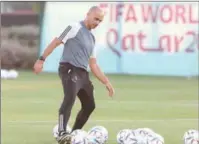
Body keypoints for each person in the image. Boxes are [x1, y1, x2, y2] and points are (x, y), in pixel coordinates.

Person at [33, 6, 115, 144]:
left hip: (83, 73)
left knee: (89, 105)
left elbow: (93, 64)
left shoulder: (92, 38)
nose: (97, 23)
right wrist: (41, 59)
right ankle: (61, 132)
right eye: (96, 19)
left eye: (100, 21)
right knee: (69, 97)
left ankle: (73, 134)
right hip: (69, 68)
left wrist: (106, 82)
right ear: (88, 14)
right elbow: (57, 41)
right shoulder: (74, 27)